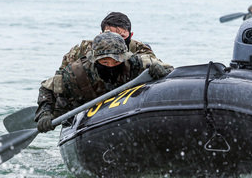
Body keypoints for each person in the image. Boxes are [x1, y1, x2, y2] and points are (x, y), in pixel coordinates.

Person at [35, 32, 173, 133]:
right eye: (105, 61)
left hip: (123, 108)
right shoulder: (75, 72)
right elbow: (46, 88)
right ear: (94, 59)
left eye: (116, 60)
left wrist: (160, 71)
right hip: (82, 106)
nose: (111, 65)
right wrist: (44, 114)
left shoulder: (137, 62)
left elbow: (170, 70)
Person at [60, 11, 159, 69]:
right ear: (101, 35)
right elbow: (63, 74)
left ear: (131, 35)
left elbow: (159, 68)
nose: (115, 40)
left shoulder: (141, 50)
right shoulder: (83, 50)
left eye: (122, 37)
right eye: (110, 35)